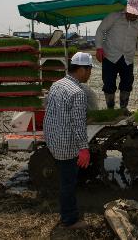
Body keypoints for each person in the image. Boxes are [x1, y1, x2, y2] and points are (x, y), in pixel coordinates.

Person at [43, 52, 93, 229]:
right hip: (66, 145)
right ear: (81, 69)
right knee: (68, 183)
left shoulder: (57, 84)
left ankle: (67, 213)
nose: (90, 74)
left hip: (53, 140)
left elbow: (47, 109)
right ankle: (69, 219)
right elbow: (78, 125)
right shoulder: (77, 92)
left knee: (65, 179)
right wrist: (84, 149)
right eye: (89, 70)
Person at [95, 0, 138, 110]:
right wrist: (99, 48)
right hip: (110, 56)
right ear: (127, 9)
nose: (133, 16)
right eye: (132, 13)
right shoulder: (114, 17)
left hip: (128, 58)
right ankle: (110, 108)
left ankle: (123, 108)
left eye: (136, 14)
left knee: (127, 84)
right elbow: (100, 30)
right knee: (108, 84)